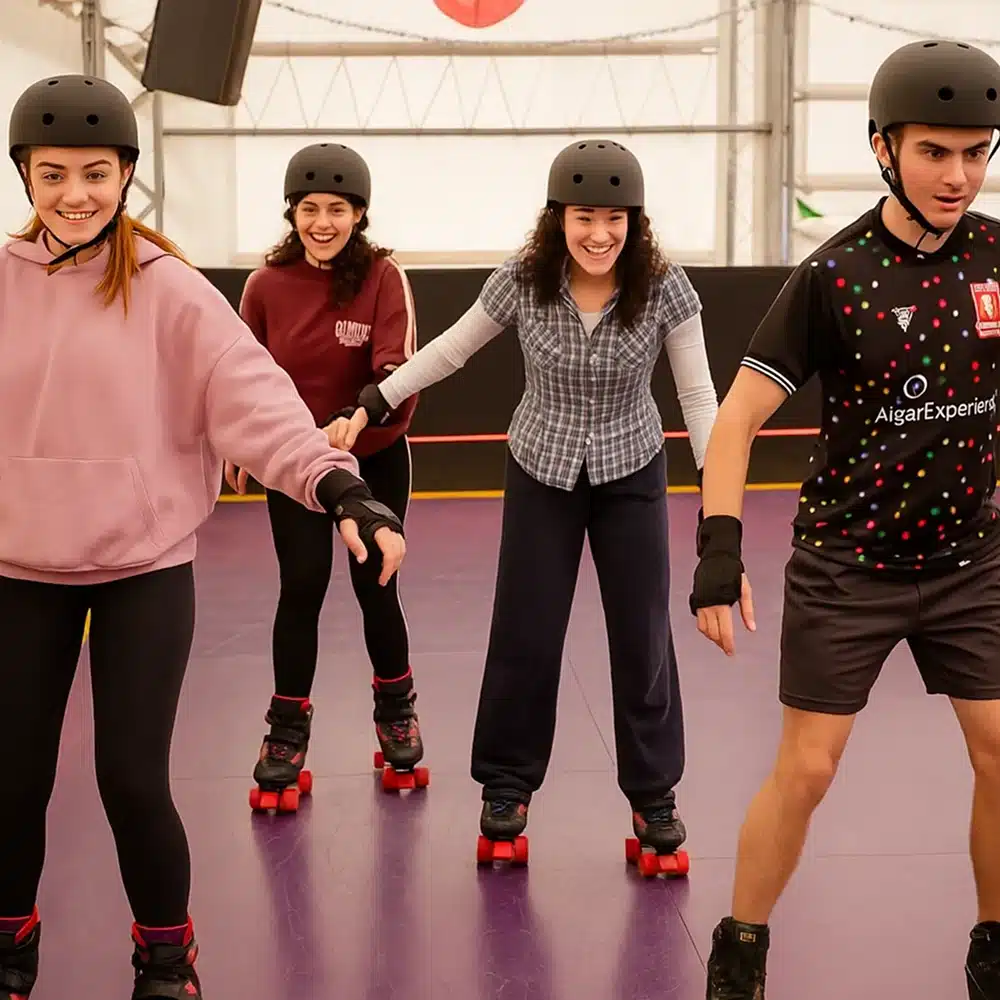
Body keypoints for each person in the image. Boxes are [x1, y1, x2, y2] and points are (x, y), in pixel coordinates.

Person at [0, 74, 405, 999]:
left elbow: (257, 402)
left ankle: (166, 958)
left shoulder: (169, 289)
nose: (75, 195)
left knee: (131, 782)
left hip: (143, 568)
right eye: (53, 173)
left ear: (127, 175)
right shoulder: (4, 284)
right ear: (25, 176)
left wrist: (341, 487)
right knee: (10, 782)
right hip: (20, 569)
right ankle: (10, 945)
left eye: (96, 173)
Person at [689, 39, 1000, 999]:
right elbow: (737, 420)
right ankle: (740, 953)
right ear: (883, 149)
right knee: (810, 771)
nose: (959, 174)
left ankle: (994, 948)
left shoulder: (996, 257)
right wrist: (718, 552)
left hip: (968, 561)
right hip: (849, 564)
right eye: (936, 151)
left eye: (977, 151)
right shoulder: (835, 276)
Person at [329, 139, 719, 857]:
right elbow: (452, 348)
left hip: (632, 471)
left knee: (642, 640)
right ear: (558, 218)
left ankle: (653, 792)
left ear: (635, 221)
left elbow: (697, 394)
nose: (599, 234)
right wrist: (375, 399)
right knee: (525, 633)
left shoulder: (665, 285)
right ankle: (507, 783)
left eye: (615, 218)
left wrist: (717, 501)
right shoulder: (523, 279)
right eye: (583, 217)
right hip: (541, 469)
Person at [226, 142, 424, 804]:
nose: (321, 223)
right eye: (308, 209)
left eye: (336, 209)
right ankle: (286, 730)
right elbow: (240, 376)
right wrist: (236, 441)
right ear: (292, 213)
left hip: (374, 457)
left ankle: (396, 713)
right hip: (296, 462)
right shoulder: (265, 286)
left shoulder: (383, 278)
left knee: (375, 586)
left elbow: (399, 371)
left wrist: (358, 417)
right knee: (302, 586)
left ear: (359, 214)